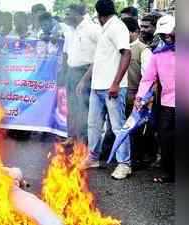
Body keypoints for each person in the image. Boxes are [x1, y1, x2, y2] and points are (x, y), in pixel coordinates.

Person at [82, 0, 132, 180]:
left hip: (112, 88)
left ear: (100, 15)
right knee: (93, 125)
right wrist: (85, 81)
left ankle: (124, 164)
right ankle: (93, 158)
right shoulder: (105, 28)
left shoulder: (117, 27)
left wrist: (116, 83)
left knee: (118, 127)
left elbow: (127, 53)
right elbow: (100, 59)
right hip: (98, 87)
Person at [135, 15, 175, 183]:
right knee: (166, 139)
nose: (167, 37)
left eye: (170, 34)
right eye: (164, 35)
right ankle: (169, 172)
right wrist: (140, 97)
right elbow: (147, 79)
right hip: (167, 104)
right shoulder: (158, 55)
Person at [64, 4, 101, 145]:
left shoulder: (93, 29)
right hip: (71, 71)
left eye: (68, 14)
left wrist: (85, 79)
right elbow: (67, 53)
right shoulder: (70, 30)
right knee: (71, 107)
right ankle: (71, 137)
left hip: (85, 73)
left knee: (83, 109)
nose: (65, 17)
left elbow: (100, 56)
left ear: (77, 14)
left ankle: (84, 142)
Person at [122, 17, 153, 169]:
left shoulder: (143, 49)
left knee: (135, 130)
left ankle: (137, 159)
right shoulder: (121, 47)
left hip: (134, 96)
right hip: (120, 94)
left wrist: (142, 97)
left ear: (133, 32)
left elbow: (148, 77)